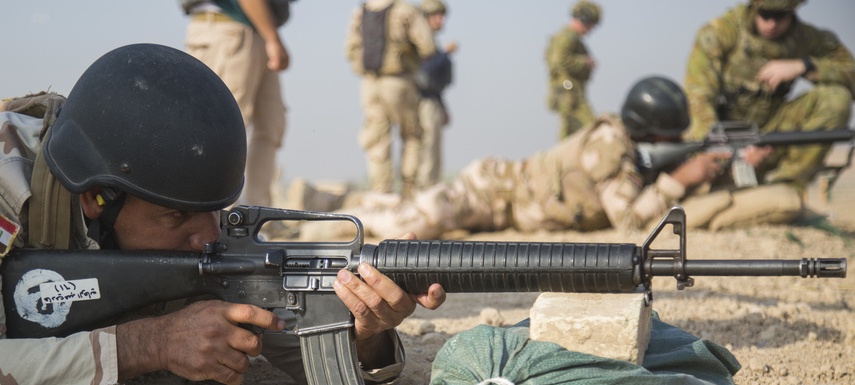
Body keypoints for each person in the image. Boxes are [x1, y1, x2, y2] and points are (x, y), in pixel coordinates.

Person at [0, 44, 445, 385]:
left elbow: (304, 357)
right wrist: (153, 343)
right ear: (95, 199)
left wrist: (364, 332)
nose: (206, 237)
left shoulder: (187, 208)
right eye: (175, 217)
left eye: (215, 210)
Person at [340, 76, 806, 241]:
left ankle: (356, 202)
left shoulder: (629, 147)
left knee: (415, 217)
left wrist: (733, 170)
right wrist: (680, 179)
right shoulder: (610, 147)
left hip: (506, 206)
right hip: (494, 189)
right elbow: (626, 220)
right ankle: (341, 213)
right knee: (415, 222)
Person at [683, 0, 855, 190]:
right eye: (765, 14)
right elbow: (698, 97)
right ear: (754, 7)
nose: (771, 24)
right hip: (722, 141)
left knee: (836, 99)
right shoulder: (721, 32)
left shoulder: (807, 39)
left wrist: (806, 66)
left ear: (793, 11)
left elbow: (850, 74)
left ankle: (786, 187)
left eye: (780, 16)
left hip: (772, 136)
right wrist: (721, 151)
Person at [183, 0, 292, 207]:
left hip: (256, 30)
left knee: (271, 125)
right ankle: (218, 215)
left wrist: (269, 36)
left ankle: (259, 213)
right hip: (226, 30)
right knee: (226, 125)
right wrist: (272, 37)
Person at [345, 0, 437, 198]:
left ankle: (382, 194)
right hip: (399, 81)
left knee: (377, 140)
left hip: (369, 84)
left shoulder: (360, 12)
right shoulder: (406, 10)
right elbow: (428, 47)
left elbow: (350, 50)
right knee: (412, 135)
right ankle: (409, 192)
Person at [545, 1, 602, 141]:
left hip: (571, 92)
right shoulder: (568, 37)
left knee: (570, 131)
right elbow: (559, 60)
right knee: (590, 127)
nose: (591, 29)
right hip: (569, 93)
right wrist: (585, 63)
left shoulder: (571, 38)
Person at [416, 0, 457, 189]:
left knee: (434, 152)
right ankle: (424, 193)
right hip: (421, 102)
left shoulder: (430, 41)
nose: (441, 20)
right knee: (426, 151)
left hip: (432, 101)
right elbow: (423, 75)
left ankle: (431, 192)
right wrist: (444, 54)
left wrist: (443, 106)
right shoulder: (420, 42)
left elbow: (432, 85)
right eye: (436, 16)